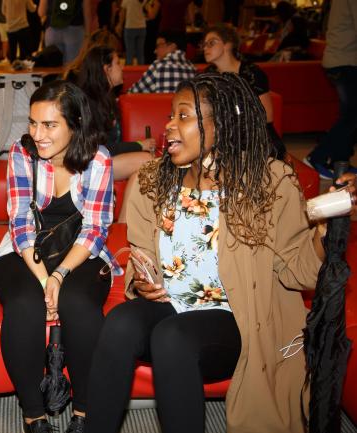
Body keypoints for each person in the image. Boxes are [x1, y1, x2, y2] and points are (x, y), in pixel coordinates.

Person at [84, 72, 354, 433]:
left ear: (222, 125)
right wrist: (142, 281)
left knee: (172, 337)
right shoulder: (155, 180)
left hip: (235, 320)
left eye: (183, 116)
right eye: (170, 116)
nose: (169, 126)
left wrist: (327, 226)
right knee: (119, 323)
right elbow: (141, 253)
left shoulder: (267, 182)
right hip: (171, 307)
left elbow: (298, 270)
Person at [0, 80, 121, 433]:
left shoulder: (98, 158)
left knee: (78, 303)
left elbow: (95, 228)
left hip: (79, 251)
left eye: (49, 125)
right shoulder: (21, 153)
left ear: (75, 125)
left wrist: (60, 276)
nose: (37, 134)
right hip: (25, 249)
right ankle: (34, 415)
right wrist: (45, 281)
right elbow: (19, 224)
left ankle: (84, 412)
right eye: (33, 123)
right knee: (24, 304)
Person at [202, 24, 286, 160]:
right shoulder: (208, 76)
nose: (205, 48)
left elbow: (267, 117)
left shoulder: (251, 73)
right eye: (204, 44)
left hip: (255, 140)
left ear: (228, 45)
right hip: (223, 138)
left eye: (211, 43)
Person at [77, 45, 154, 182]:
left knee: (140, 172)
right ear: (107, 69)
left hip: (102, 160)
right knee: (147, 160)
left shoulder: (107, 99)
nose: (122, 68)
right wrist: (139, 145)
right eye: (118, 63)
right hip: (87, 165)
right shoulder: (88, 102)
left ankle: (130, 204)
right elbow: (97, 148)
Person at [305, 0, 357, 180]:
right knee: (350, 117)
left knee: (349, 116)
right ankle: (317, 157)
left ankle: (340, 163)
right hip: (345, 61)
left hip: (340, 59)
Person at [127, 30, 196, 93]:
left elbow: (133, 92)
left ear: (172, 46)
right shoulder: (192, 68)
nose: (155, 51)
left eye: (158, 46)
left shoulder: (159, 66)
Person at [38, 0, 92, 65]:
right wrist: (88, 35)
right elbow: (87, 12)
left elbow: (41, 12)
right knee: (72, 67)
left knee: (53, 67)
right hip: (75, 31)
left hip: (52, 31)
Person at [117, 0, 148, 65]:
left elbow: (122, 13)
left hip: (130, 26)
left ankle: (129, 73)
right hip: (142, 26)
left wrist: (120, 24)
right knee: (140, 53)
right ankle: (141, 72)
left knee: (129, 53)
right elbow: (147, 11)